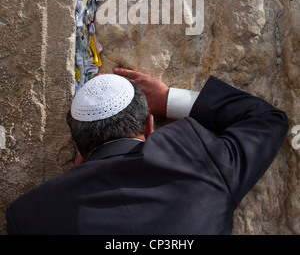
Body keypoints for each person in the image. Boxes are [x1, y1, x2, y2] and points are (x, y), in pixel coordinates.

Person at [6, 68, 289, 235]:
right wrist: (168, 99)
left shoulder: (31, 216)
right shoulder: (200, 159)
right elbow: (267, 120)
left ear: (78, 148)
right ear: (150, 125)